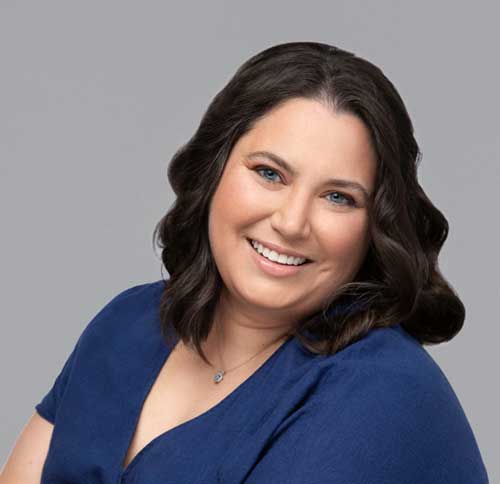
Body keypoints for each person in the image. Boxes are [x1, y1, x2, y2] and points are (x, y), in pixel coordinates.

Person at [1, 42, 489, 483]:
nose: (292, 222)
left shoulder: (382, 393)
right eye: (269, 173)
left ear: (375, 227)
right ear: (214, 169)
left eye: (338, 197)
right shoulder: (126, 325)